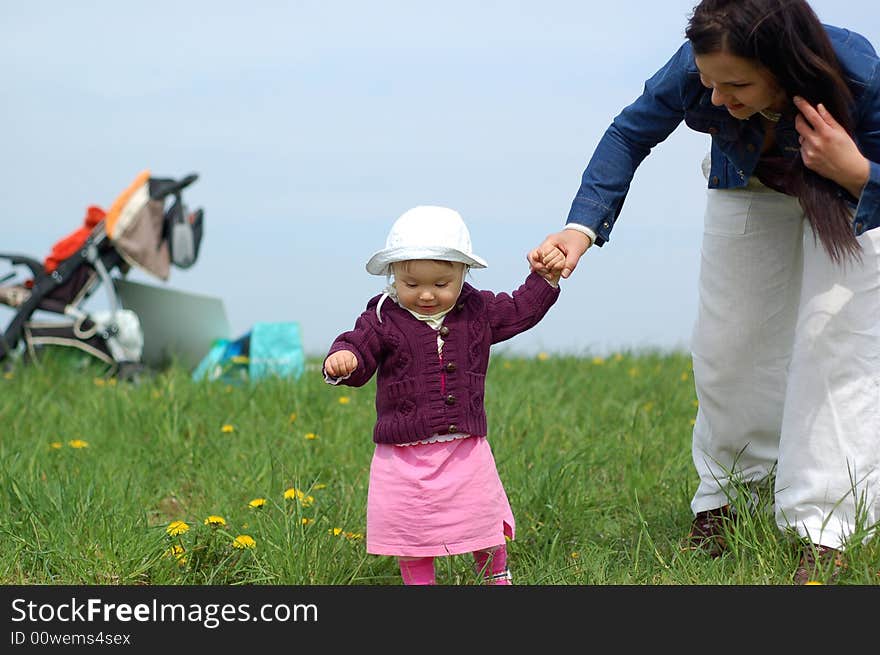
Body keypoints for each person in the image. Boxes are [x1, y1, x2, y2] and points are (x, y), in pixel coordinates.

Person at [529, 0, 880, 584]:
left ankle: (827, 530)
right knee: (729, 345)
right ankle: (730, 501)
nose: (716, 98)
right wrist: (580, 227)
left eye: (736, 85)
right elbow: (630, 130)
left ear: (784, 65)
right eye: (709, 82)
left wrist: (857, 171)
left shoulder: (860, 73)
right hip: (748, 184)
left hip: (856, 196)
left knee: (835, 347)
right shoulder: (703, 66)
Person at [324, 205, 563, 585]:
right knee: (410, 530)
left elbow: (520, 309)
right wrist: (345, 358)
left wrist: (544, 279)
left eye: (440, 284)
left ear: (463, 275)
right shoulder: (383, 318)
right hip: (404, 455)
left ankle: (495, 577)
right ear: (393, 277)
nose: (426, 295)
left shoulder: (477, 311)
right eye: (412, 284)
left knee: (482, 516)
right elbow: (359, 346)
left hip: (464, 447)